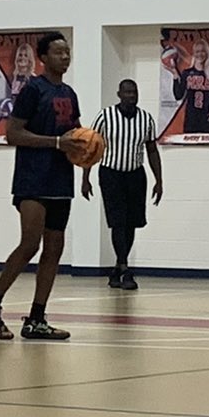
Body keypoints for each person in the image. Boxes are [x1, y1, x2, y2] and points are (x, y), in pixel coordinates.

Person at [0, 32, 84, 342]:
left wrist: (87, 151)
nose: (65, 56)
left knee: (54, 249)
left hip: (61, 179)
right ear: (43, 58)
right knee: (30, 244)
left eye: (67, 52)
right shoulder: (32, 90)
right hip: (33, 178)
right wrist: (57, 142)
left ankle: (37, 318)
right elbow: (13, 134)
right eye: (59, 52)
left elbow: (74, 133)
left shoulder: (69, 93)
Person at [81, 77, 163, 290]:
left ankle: (117, 268)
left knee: (132, 222)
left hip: (135, 174)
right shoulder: (105, 116)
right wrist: (85, 178)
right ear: (119, 94)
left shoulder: (146, 119)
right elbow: (92, 147)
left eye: (134, 92)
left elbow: (152, 150)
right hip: (111, 174)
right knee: (118, 221)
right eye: (127, 92)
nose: (131, 96)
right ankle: (126, 269)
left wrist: (159, 180)